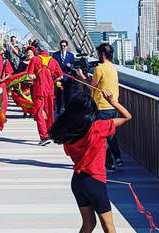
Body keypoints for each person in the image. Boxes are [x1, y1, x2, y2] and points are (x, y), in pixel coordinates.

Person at [49, 90, 131, 233]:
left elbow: (69, 152)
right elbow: (127, 117)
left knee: (88, 224)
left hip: (78, 181)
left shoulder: (67, 135)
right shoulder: (98, 128)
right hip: (95, 181)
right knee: (109, 226)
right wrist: (112, 101)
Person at [77, 43, 123, 172]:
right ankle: (118, 158)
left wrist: (81, 77)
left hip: (102, 107)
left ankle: (109, 164)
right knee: (111, 134)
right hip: (113, 106)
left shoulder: (99, 69)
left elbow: (92, 87)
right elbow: (100, 84)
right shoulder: (113, 68)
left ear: (102, 54)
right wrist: (89, 79)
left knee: (100, 137)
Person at [27, 44, 63, 145]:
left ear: (38, 50)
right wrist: (52, 81)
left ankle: (44, 136)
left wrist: (35, 79)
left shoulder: (35, 59)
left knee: (39, 113)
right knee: (50, 112)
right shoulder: (53, 60)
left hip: (39, 89)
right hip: (50, 89)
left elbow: (29, 75)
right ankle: (51, 133)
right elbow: (60, 76)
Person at [52, 40, 75, 115]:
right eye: (61, 46)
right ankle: (58, 108)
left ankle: (66, 109)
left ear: (67, 47)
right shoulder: (55, 55)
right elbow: (53, 66)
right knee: (58, 93)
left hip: (67, 78)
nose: (63, 47)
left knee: (68, 94)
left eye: (64, 46)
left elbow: (73, 65)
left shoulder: (70, 55)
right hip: (58, 78)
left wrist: (70, 66)